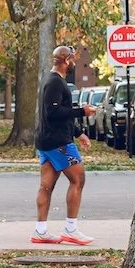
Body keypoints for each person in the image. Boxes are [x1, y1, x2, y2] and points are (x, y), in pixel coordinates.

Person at [32, 46, 94, 246]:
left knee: (46, 186)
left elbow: (59, 115)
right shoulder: (55, 83)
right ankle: (71, 229)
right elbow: (54, 113)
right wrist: (82, 111)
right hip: (59, 143)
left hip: (47, 140)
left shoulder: (51, 81)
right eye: (72, 59)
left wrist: (79, 133)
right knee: (78, 179)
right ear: (66, 61)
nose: (74, 62)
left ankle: (40, 231)